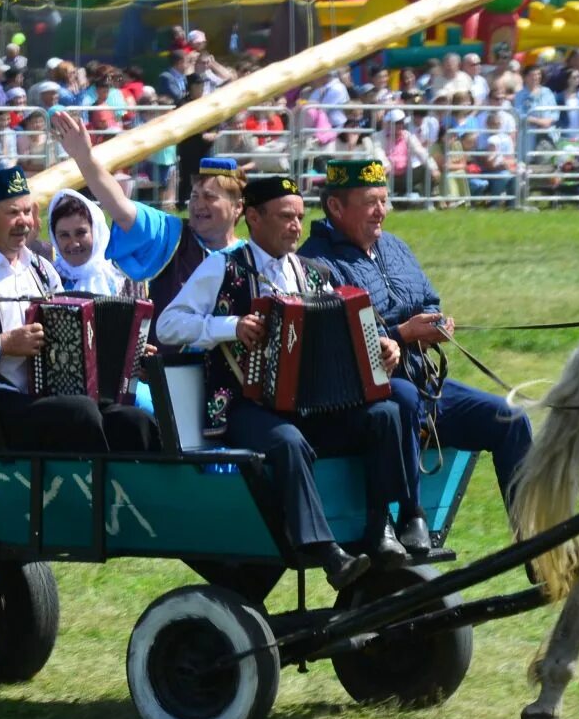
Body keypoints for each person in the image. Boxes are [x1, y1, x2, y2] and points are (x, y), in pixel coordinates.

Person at [157, 174, 412, 587]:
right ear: (254, 217)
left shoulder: (314, 273)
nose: (296, 226)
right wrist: (230, 326)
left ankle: (381, 529)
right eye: (285, 217)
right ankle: (325, 550)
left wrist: (384, 348)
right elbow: (168, 324)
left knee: (385, 414)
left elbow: (349, 333)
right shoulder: (224, 267)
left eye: (299, 216)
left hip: (313, 406)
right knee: (288, 441)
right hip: (244, 405)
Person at [300, 158, 533, 519]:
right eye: (370, 202)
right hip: (365, 399)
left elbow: (427, 298)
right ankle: (408, 518)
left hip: (424, 384)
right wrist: (403, 334)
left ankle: (538, 546)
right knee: (404, 399)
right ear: (335, 206)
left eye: (384, 201)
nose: (381, 212)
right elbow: (334, 340)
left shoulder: (394, 247)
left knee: (509, 418)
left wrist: (436, 323)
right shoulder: (314, 264)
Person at [0, 166, 160, 453]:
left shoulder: (42, 270)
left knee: (133, 420)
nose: (25, 222)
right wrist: (3, 344)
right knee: (79, 414)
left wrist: (129, 352)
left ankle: (138, 496)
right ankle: (86, 495)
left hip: (45, 395)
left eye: (29, 212)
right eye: (13, 213)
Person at [48, 110, 243, 332]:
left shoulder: (249, 256)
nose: (198, 205)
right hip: (174, 365)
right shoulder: (171, 235)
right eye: (195, 196)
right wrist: (84, 158)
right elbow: (120, 208)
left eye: (210, 197)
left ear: (237, 208)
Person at [45, 188, 138, 297]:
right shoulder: (49, 280)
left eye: (80, 233)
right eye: (64, 235)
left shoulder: (124, 277)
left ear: (96, 232)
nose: (74, 243)